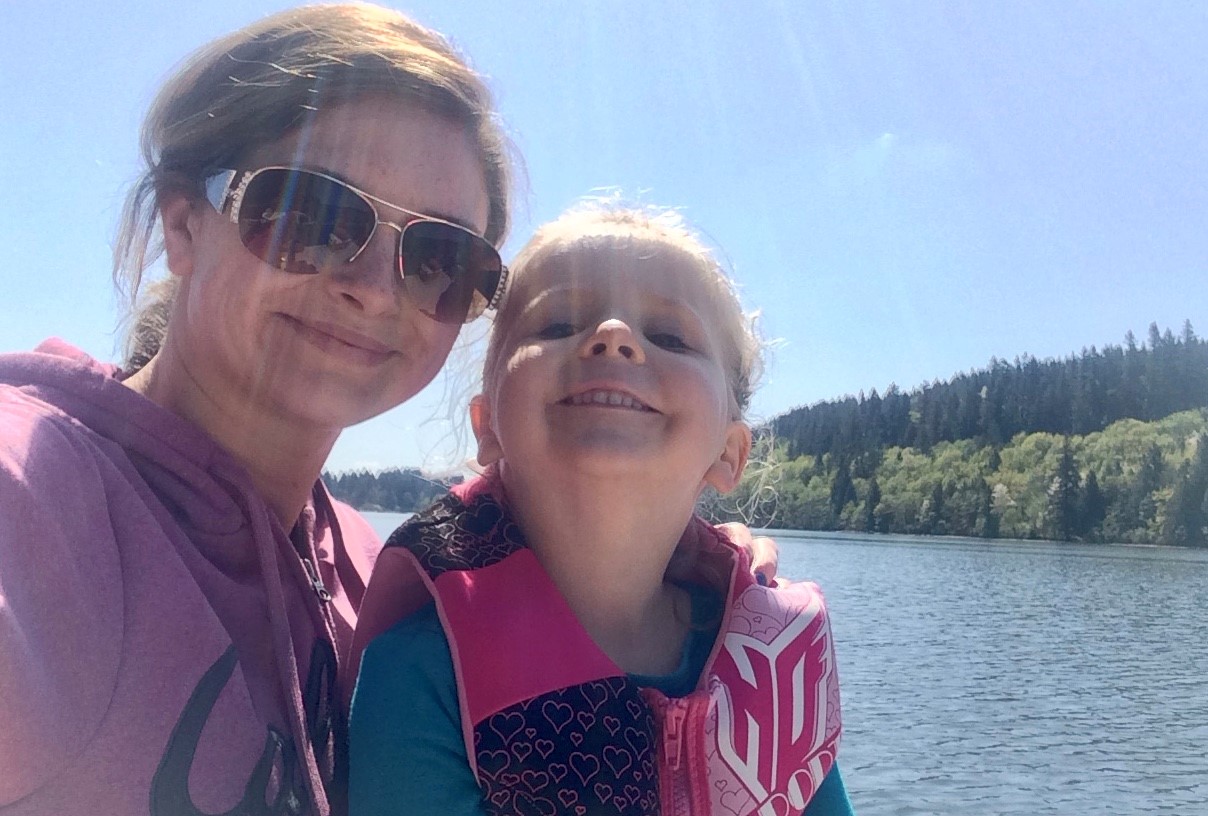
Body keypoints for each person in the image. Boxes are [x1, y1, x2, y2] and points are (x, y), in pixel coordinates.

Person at [0, 5, 777, 815]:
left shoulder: (379, 575)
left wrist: (698, 559)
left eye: (438, 257)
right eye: (313, 217)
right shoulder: (39, 501)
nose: (372, 288)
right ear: (184, 221)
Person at [349, 204, 852, 815]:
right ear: (488, 427)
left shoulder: (775, 671)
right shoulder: (419, 676)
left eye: (669, 337)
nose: (613, 335)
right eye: (557, 323)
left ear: (727, 452)